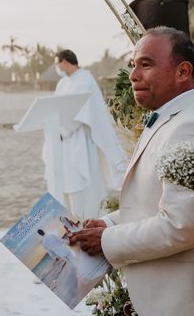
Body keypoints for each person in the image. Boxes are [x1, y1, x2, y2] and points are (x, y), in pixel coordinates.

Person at [70, 27, 194, 315]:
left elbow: (182, 225)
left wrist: (106, 241)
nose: (133, 75)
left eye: (146, 64)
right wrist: (110, 224)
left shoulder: (188, 125)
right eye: (132, 65)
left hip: (178, 300)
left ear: (183, 71)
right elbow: (153, 202)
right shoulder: (168, 118)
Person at [42, 49, 127, 220]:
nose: (57, 67)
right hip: (62, 140)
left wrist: (63, 130)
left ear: (65, 62)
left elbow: (82, 111)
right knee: (64, 181)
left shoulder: (85, 80)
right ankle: (67, 220)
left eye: (58, 63)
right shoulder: (63, 83)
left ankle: (86, 219)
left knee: (80, 181)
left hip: (79, 137)